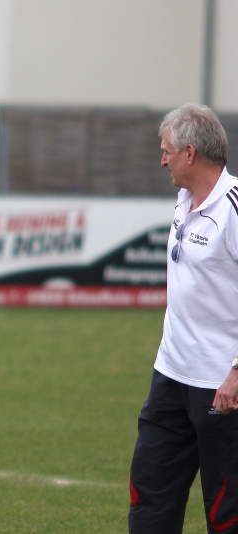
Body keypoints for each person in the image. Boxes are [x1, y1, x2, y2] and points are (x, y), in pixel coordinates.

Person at [129, 104, 238, 533]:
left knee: (227, 513)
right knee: (149, 498)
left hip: (224, 387)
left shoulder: (233, 209)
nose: (162, 160)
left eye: (167, 150)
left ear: (190, 153)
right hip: (170, 379)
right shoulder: (183, 199)